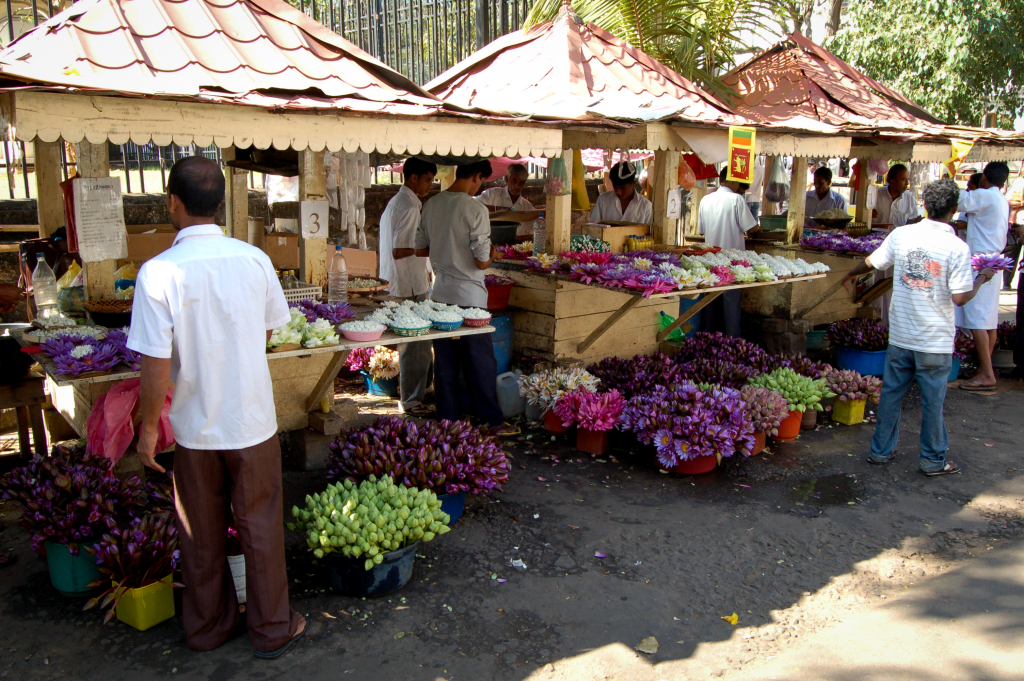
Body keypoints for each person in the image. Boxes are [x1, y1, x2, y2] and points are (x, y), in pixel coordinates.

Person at [128, 156, 305, 658]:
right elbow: (268, 330)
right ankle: (272, 628)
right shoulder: (253, 259)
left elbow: (155, 365)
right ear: (222, 204)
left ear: (172, 204)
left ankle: (207, 629)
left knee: (199, 531)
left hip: (194, 428)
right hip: (250, 421)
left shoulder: (158, 271)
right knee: (261, 526)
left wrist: (146, 431)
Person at [840, 179, 996, 476]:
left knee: (891, 397)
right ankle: (932, 460)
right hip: (934, 342)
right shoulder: (957, 247)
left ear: (924, 204)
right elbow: (960, 298)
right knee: (932, 403)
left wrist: (850, 274)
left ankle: (880, 452)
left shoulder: (903, 234)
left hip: (901, 335)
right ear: (954, 210)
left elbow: (872, 262)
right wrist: (982, 279)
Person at [415, 160, 517, 437]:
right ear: (476, 177)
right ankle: (490, 421)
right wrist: (493, 253)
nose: (481, 185)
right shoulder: (475, 209)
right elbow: (482, 262)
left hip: (441, 296)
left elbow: (420, 247)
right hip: (471, 298)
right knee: (480, 362)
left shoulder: (432, 204)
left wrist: (446, 248)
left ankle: (447, 422)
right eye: (482, 180)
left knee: (445, 364)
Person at [379, 157, 437, 416]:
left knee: (421, 344)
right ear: (413, 177)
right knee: (414, 345)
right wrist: (433, 246)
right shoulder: (408, 206)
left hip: (403, 281)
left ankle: (422, 390)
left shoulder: (399, 202)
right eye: (428, 179)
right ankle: (412, 400)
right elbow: (400, 250)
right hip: (407, 284)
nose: (430, 185)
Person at [957, 161, 1011, 391]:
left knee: (978, 319)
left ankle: (987, 373)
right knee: (988, 320)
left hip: (981, 263)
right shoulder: (1001, 198)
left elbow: (958, 200)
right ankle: (984, 369)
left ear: (984, 179)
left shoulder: (985, 195)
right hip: (993, 262)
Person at [697, 166, 760, 336]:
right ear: (732, 179)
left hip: (710, 260)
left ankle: (706, 341)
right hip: (732, 263)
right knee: (731, 305)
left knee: (710, 304)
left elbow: (701, 231)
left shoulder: (705, 200)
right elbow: (752, 229)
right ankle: (733, 344)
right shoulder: (736, 200)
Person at [477, 163, 535, 236]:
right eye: (514, 181)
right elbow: (472, 204)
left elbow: (538, 225)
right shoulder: (492, 194)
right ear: (507, 179)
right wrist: (497, 209)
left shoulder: (527, 207)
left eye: (521, 182)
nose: (517, 186)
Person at [589, 161, 654, 224]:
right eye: (615, 187)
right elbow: (593, 227)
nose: (618, 192)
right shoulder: (603, 200)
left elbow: (649, 232)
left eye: (623, 188)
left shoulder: (646, 206)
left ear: (633, 184)